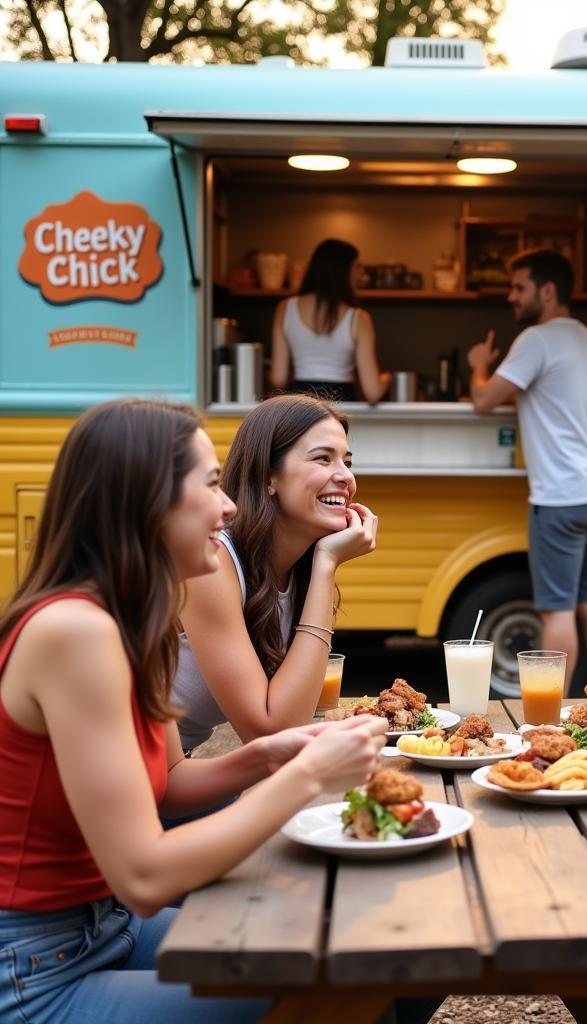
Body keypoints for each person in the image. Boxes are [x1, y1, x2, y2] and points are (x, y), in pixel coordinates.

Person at [0, 398, 387, 1022]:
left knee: (348, 941)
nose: (230, 505)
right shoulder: (75, 632)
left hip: (107, 928)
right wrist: (306, 777)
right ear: (146, 500)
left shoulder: (130, 615)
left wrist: (276, 753)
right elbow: (146, 877)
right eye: (210, 484)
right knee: (334, 980)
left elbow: (174, 784)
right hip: (34, 969)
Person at [172, 394, 378, 753]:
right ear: (269, 477)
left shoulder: (297, 564)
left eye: (347, 462)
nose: (346, 477)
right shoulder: (215, 557)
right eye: (323, 459)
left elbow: (292, 718)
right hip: (123, 780)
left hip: (175, 771)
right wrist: (327, 566)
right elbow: (270, 733)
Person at [468, 248, 587, 684]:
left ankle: (556, 708)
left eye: (519, 287)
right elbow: (547, 395)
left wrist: (480, 367)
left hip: (561, 497)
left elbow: (483, 402)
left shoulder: (536, 339)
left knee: (556, 608)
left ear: (547, 290)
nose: (511, 296)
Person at [270, 238, 391, 404]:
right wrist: (386, 378)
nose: (360, 274)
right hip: (343, 405)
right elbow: (373, 392)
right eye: (356, 267)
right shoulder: (359, 318)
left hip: (299, 406)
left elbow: (278, 378)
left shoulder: (285, 308)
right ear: (342, 271)